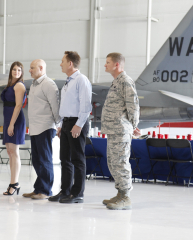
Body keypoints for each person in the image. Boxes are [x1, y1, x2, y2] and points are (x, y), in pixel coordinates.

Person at [48, 51, 92, 204]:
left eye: (62, 61)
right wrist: (61, 125)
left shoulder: (81, 80)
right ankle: (65, 191)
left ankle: (77, 193)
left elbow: (86, 106)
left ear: (70, 63)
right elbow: (65, 106)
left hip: (76, 122)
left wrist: (78, 125)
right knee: (65, 159)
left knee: (77, 159)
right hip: (66, 123)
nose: (60, 64)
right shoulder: (69, 81)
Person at [101, 52, 140, 210]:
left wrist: (132, 125)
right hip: (113, 130)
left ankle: (125, 197)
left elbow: (133, 105)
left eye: (108, 62)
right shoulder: (116, 81)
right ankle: (120, 193)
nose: (105, 65)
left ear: (117, 65)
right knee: (113, 162)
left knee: (121, 162)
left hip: (121, 130)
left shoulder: (125, 80)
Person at [22, 59, 61, 200]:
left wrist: (59, 125)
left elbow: (55, 106)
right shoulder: (34, 85)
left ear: (41, 68)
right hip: (35, 128)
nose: (29, 70)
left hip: (45, 127)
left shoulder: (48, 84)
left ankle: (45, 191)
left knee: (44, 160)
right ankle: (38, 188)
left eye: (32, 68)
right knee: (37, 161)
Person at [1, 61, 26, 196]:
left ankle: (14, 183)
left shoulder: (19, 85)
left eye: (19, 70)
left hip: (15, 120)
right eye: (14, 69)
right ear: (11, 71)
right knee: (10, 152)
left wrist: (11, 124)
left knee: (14, 152)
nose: (16, 72)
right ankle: (13, 182)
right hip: (8, 119)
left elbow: (18, 106)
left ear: (22, 73)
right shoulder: (10, 85)